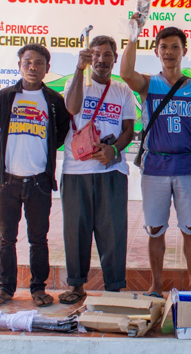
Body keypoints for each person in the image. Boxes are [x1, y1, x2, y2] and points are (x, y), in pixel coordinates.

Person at [120, 26, 191, 295]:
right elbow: (126, 73)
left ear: (184, 51)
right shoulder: (149, 84)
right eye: (164, 47)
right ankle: (156, 285)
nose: (169, 52)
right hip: (155, 169)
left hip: (188, 168)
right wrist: (133, 36)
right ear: (156, 51)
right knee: (155, 230)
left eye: (175, 47)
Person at [0, 44, 69, 308]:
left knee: (38, 239)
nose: (33, 68)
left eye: (39, 63)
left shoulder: (54, 101)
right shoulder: (5, 96)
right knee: (5, 237)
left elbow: (60, 135)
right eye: (28, 62)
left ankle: (38, 288)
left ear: (47, 68)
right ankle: (5, 287)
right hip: (6, 180)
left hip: (39, 182)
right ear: (19, 65)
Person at [58, 36, 137, 304]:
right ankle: (76, 285)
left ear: (115, 58)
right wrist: (80, 71)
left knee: (113, 231)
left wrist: (114, 151)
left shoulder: (123, 91)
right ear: (89, 57)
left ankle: (114, 287)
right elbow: (72, 107)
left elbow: (129, 130)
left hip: (112, 172)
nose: (102, 60)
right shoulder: (76, 82)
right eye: (96, 55)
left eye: (107, 55)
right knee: (76, 230)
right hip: (76, 170)